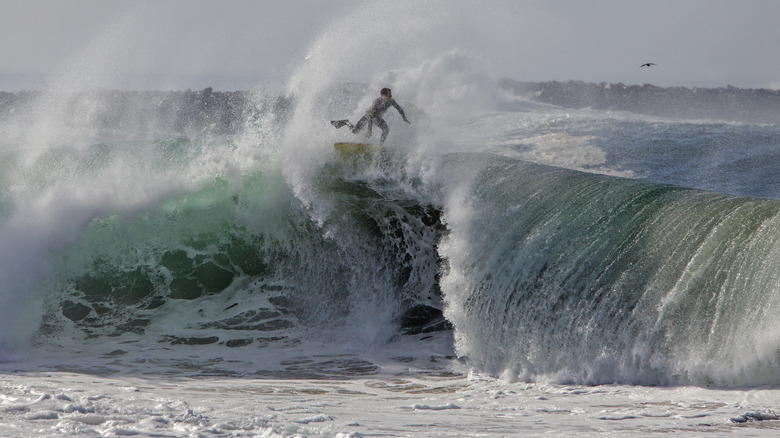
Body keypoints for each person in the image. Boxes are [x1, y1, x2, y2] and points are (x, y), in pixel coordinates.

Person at [333, 88, 410, 146]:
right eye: (389, 95)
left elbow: (399, 108)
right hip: (367, 117)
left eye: (391, 94)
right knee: (355, 131)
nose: (391, 96)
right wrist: (369, 130)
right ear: (383, 95)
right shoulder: (377, 102)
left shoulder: (391, 101)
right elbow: (370, 115)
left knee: (386, 129)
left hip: (377, 118)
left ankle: (380, 146)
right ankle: (346, 122)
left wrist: (404, 117)